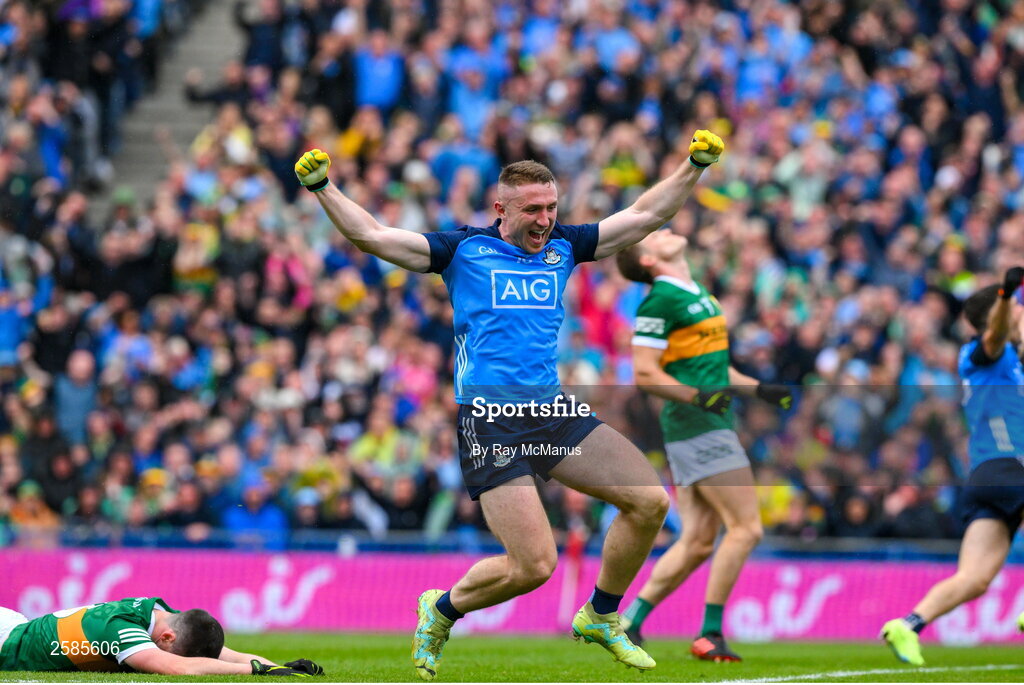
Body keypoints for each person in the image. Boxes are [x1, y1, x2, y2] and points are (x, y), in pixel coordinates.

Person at [294, 129, 725, 679]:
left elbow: (642, 216)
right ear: (501, 208)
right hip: (489, 420)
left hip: (549, 410)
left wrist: (693, 165)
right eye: (532, 210)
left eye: (551, 207)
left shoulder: (564, 246)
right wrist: (323, 186)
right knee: (534, 566)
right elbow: (374, 236)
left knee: (649, 502)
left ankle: (601, 614)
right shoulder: (461, 251)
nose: (545, 220)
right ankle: (441, 609)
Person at [614, 231, 792, 661]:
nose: (665, 230)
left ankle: (631, 622)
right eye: (652, 235)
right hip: (698, 425)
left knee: (696, 541)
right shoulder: (659, 301)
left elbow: (714, 368)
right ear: (650, 260)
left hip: (706, 421)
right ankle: (711, 632)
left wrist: (759, 390)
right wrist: (698, 398)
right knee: (746, 528)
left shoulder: (700, 295)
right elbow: (645, 373)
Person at [881, 268, 1024, 666]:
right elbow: (995, 337)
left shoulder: (1006, 361)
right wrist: (1005, 294)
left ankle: (907, 624)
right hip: (1011, 467)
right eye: (1017, 309)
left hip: (985, 476)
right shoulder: (985, 352)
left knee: (974, 578)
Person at [0, 597, 322, 676]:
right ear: (167, 638)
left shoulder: (159, 613)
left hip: (16, 623)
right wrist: (253, 670)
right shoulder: (122, 630)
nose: (170, 654)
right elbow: (182, 668)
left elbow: (220, 655)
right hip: (6, 642)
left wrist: (279, 667)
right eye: (172, 650)